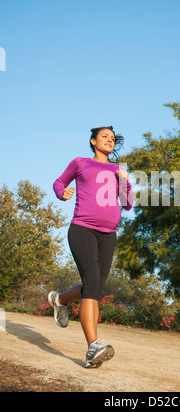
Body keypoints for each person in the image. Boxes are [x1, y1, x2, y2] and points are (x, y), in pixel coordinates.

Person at [48, 126, 133, 368]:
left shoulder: (118, 170)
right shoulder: (81, 163)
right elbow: (58, 181)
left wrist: (125, 182)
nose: (109, 140)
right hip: (82, 229)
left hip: (109, 235)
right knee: (93, 282)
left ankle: (61, 300)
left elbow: (127, 205)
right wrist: (61, 192)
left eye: (113, 138)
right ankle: (92, 347)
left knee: (93, 288)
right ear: (93, 140)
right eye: (104, 136)